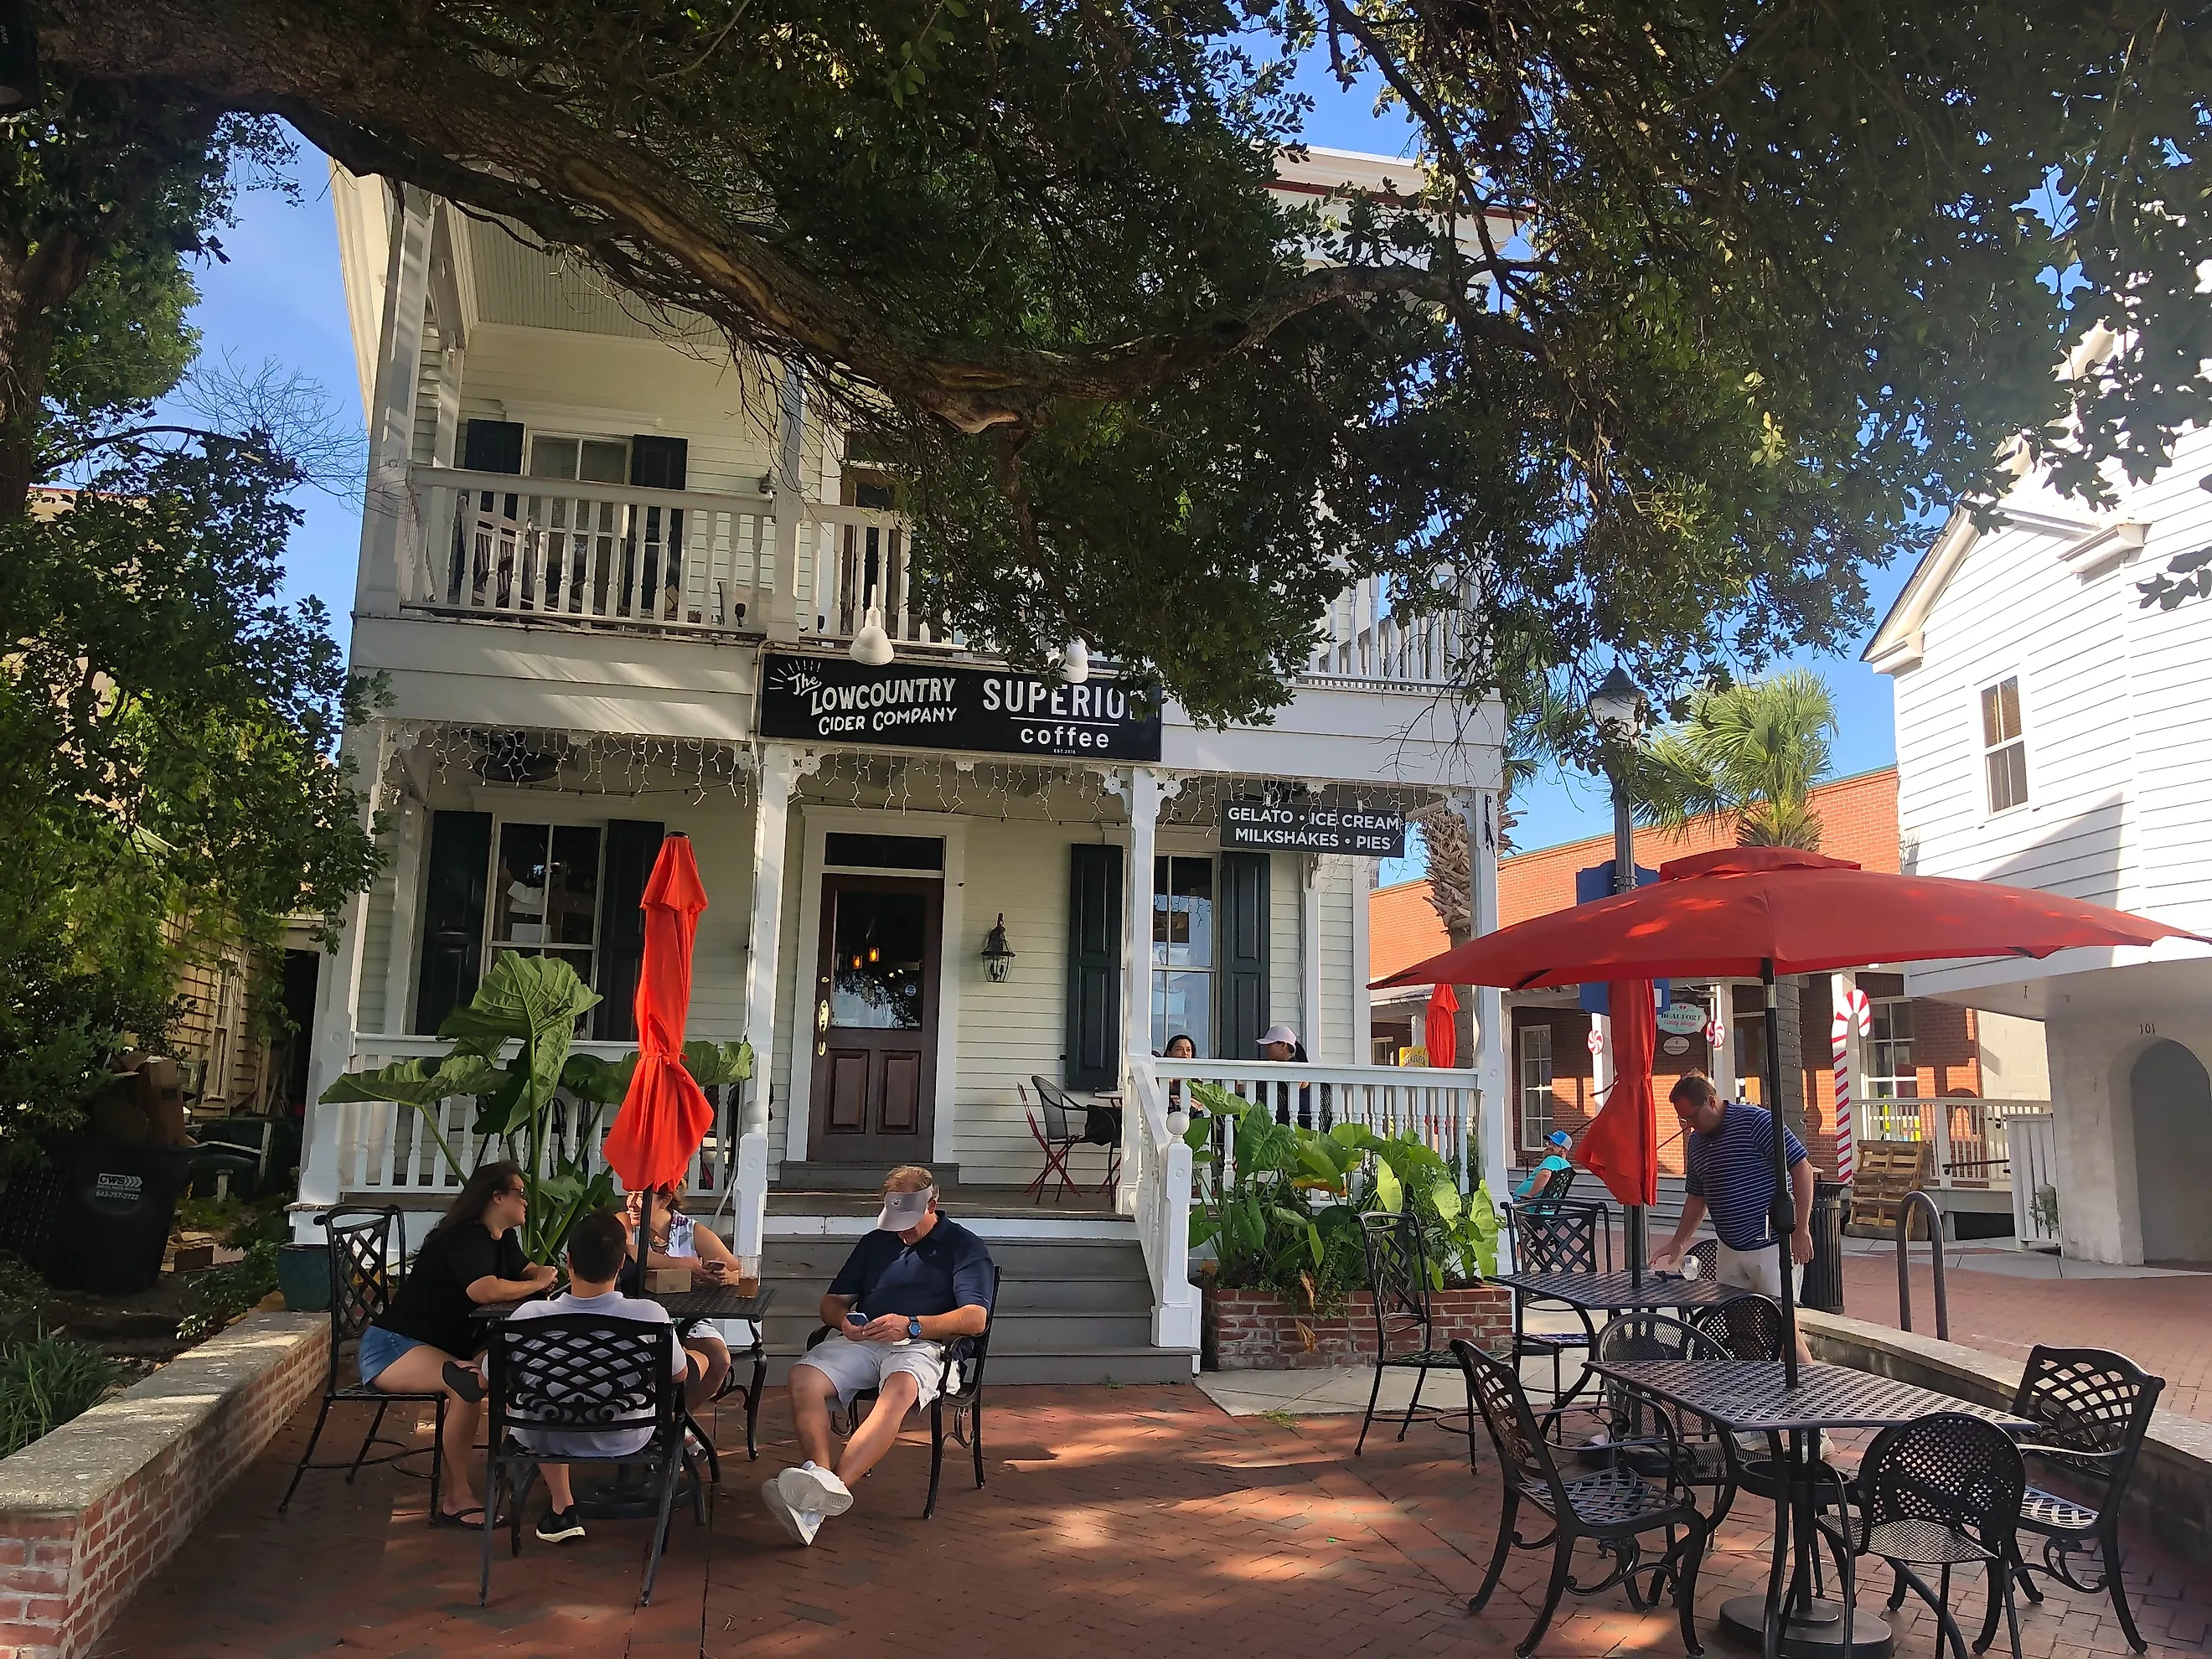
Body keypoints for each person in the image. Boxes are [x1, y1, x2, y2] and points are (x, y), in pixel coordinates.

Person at [762, 1166, 995, 1546]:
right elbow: (831, 1302)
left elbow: (975, 1318)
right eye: (894, 1221)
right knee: (802, 1377)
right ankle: (820, 1483)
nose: (900, 1231)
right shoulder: (875, 1241)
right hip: (865, 1338)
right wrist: (844, 1322)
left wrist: (913, 1325)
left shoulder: (964, 1246)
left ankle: (815, 1502)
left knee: (900, 1389)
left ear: (933, 1204)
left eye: (908, 1221)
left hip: (925, 1344)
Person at [355, 1160, 556, 1528]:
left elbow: (524, 1269)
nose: (527, 1201)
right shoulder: (467, 1236)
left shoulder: (501, 1237)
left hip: (447, 1345)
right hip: (393, 1347)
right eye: (520, 1193)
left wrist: (538, 1274)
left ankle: (533, 1466)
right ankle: (456, 1499)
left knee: (525, 1369)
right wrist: (534, 1284)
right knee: (467, 1384)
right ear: (497, 1197)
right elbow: (484, 1290)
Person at [495, 1207, 689, 1545]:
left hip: (543, 1436)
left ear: (568, 1262)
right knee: (692, 1361)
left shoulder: (528, 1315)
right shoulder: (649, 1315)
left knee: (541, 1400)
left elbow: (490, 1378)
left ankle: (562, 1506)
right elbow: (678, 1374)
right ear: (620, 1265)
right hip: (623, 1436)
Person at [1651, 1072, 1817, 1366]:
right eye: (1682, 1121)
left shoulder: (1756, 1122)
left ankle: (1807, 1389)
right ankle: (1755, 1389)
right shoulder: (1698, 1144)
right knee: (1739, 1328)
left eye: (1690, 1117)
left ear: (1711, 1102)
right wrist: (1678, 1242)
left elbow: (1801, 1168)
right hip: (1729, 1246)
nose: (1688, 1126)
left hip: (1770, 1244)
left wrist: (1801, 1228)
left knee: (1782, 1327)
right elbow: (1696, 1197)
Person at [623, 1184, 736, 1406]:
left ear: (664, 1201)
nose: (631, 1203)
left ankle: (679, 1424)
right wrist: (683, 1265)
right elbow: (628, 1250)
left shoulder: (691, 1230)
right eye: (630, 1194)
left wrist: (723, 1277)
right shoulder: (625, 1223)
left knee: (721, 1360)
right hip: (640, 1318)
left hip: (687, 1317)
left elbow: (738, 1271)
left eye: (640, 1196)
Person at [1258, 1023, 1318, 1128]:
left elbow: (1291, 1097)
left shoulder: (1295, 1068)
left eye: (1270, 1044)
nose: (1266, 1048)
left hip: (1299, 1123)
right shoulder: (1284, 1066)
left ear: (1283, 1045)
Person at [1514, 1129, 1577, 1201]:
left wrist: (1530, 1195)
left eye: (1554, 1145)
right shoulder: (1566, 1165)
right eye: (1549, 1143)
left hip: (1528, 1204)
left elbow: (1545, 1175)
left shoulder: (1553, 1159)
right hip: (1543, 1206)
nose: (1548, 1147)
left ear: (1564, 1150)